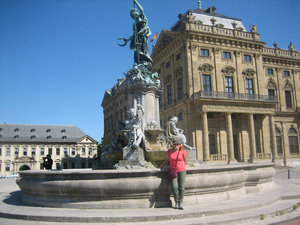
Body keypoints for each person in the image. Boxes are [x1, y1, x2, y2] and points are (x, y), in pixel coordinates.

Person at [160, 138, 187, 210]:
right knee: (174, 187)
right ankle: (176, 201)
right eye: (174, 145)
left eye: (177, 145)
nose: (175, 146)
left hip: (182, 170)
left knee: (181, 187)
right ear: (173, 145)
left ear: (179, 145)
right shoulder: (170, 152)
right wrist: (161, 166)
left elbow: (184, 160)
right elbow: (167, 159)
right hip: (172, 171)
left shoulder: (183, 152)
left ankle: (180, 202)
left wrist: (184, 165)